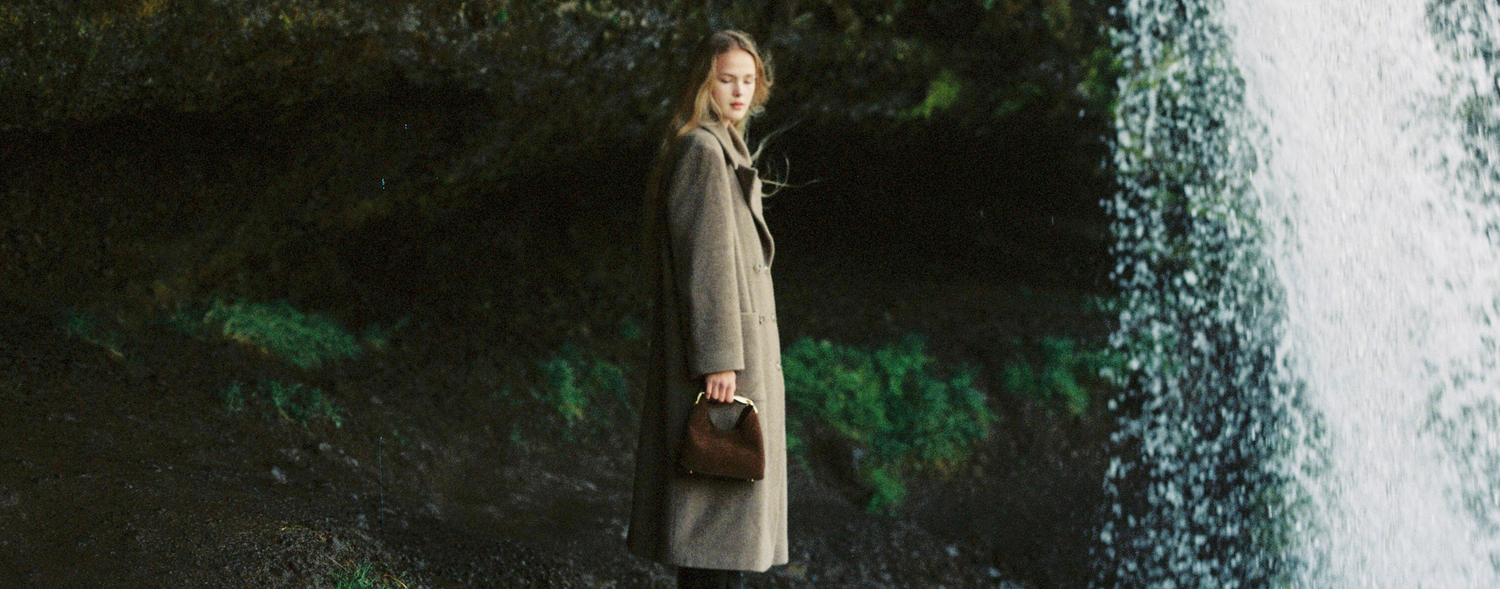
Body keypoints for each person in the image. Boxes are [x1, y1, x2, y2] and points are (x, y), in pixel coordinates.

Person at [626, 30, 788, 589]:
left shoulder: (726, 148)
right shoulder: (702, 151)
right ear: (704, 84)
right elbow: (706, 264)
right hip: (726, 370)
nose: (739, 91)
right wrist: (719, 358)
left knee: (720, 528)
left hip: (737, 364)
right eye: (726, 80)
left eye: (748, 80)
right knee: (715, 527)